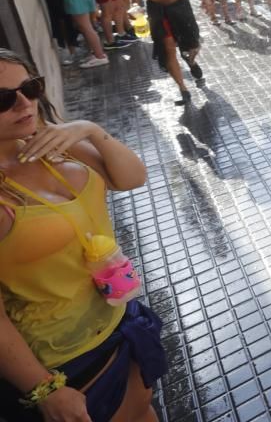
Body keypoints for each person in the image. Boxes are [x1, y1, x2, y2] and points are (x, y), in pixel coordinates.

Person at [0, 49, 166, 422]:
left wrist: (89, 129)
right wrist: (44, 389)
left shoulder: (46, 143)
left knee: (144, 412)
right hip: (67, 357)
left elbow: (131, 177)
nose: (25, 104)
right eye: (3, 99)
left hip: (118, 315)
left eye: (30, 88)